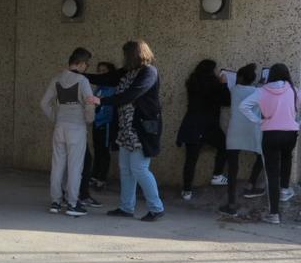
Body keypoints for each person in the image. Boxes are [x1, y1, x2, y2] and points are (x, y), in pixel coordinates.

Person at [87, 40, 166, 222]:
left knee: (139, 169)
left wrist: (102, 101)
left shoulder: (149, 72)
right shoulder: (127, 72)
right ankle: (126, 207)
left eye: (126, 54)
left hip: (142, 128)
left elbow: (132, 94)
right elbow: (106, 78)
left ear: (134, 55)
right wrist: (82, 75)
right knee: (125, 169)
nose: (124, 58)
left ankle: (156, 208)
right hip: (125, 128)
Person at [240, 63, 301, 224]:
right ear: (286, 75)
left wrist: (259, 120)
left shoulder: (261, 91)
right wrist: (300, 122)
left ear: (271, 75)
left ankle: (274, 214)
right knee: (287, 157)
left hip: (270, 134)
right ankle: (285, 190)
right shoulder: (294, 91)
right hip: (290, 134)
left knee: (271, 173)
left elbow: (244, 106)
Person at [41, 47, 95, 217]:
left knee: (57, 165)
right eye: (86, 64)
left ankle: (56, 201)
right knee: (75, 167)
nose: (87, 67)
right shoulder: (82, 80)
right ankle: (72, 203)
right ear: (80, 63)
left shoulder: (57, 78)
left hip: (60, 127)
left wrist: (55, 119)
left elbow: (44, 103)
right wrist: (89, 119)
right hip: (77, 128)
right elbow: (89, 103)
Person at [175, 59, 230, 201]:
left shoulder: (192, 82)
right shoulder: (214, 85)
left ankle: (186, 191)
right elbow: (227, 101)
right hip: (208, 126)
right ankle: (217, 175)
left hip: (191, 124)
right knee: (224, 145)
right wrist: (224, 84)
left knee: (190, 160)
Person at [219, 63, 265, 217]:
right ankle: (251, 184)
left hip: (235, 131)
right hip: (253, 130)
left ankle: (231, 203)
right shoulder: (259, 92)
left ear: (239, 77)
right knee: (261, 155)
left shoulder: (234, 90)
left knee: (232, 168)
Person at [87, 61, 117, 191]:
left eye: (104, 71)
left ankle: (102, 178)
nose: (101, 74)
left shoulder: (112, 88)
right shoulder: (98, 87)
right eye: (99, 71)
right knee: (97, 150)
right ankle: (94, 175)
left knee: (104, 152)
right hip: (96, 122)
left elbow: (109, 107)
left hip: (106, 123)